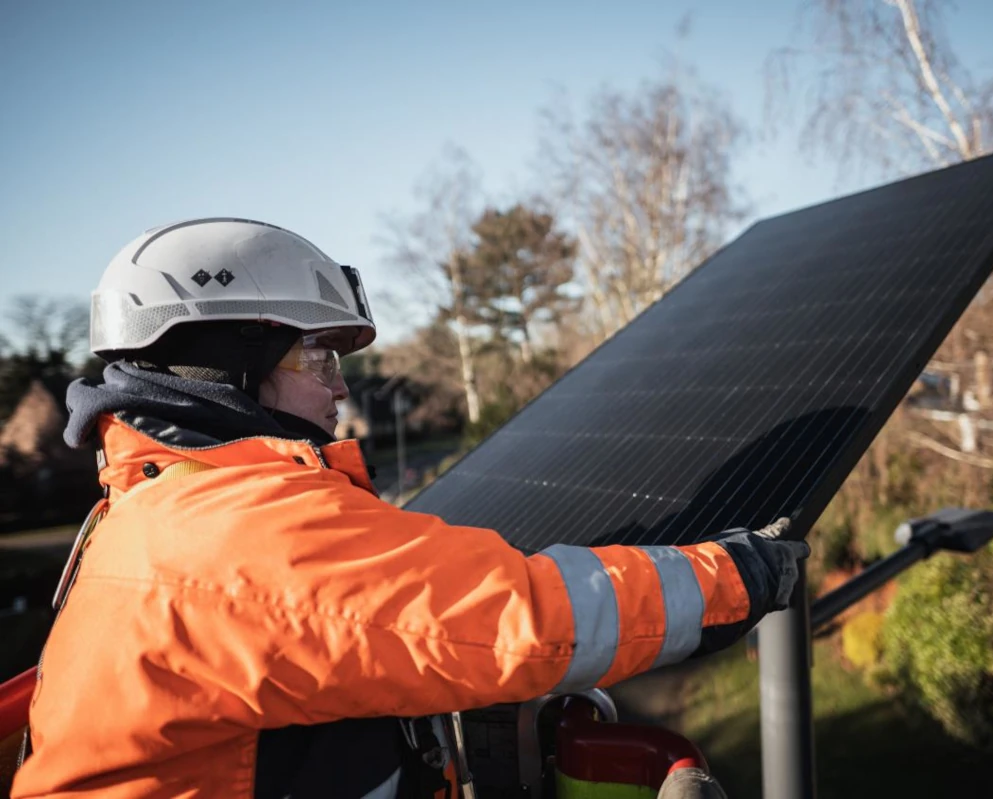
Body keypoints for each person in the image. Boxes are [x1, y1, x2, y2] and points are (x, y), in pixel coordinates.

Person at [12, 218, 808, 799]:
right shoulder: (239, 527)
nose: (341, 386)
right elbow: (517, 619)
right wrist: (737, 574)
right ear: (228, 364)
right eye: (317, 355)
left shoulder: (153, 502)